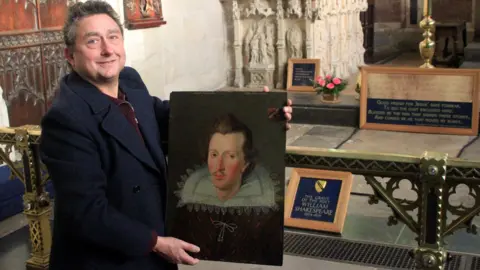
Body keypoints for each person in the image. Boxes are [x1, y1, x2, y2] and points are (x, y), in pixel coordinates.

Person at [39, 1, 293, 270]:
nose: (107, 49)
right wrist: (156, 243)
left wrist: (257, 117)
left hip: (152, 245)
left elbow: (175, 119)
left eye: (113, 37)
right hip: (109, 258)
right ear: (70, 55)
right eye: (93, 41)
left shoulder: (130, 81)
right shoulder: (66, 119)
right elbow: (87, 214)